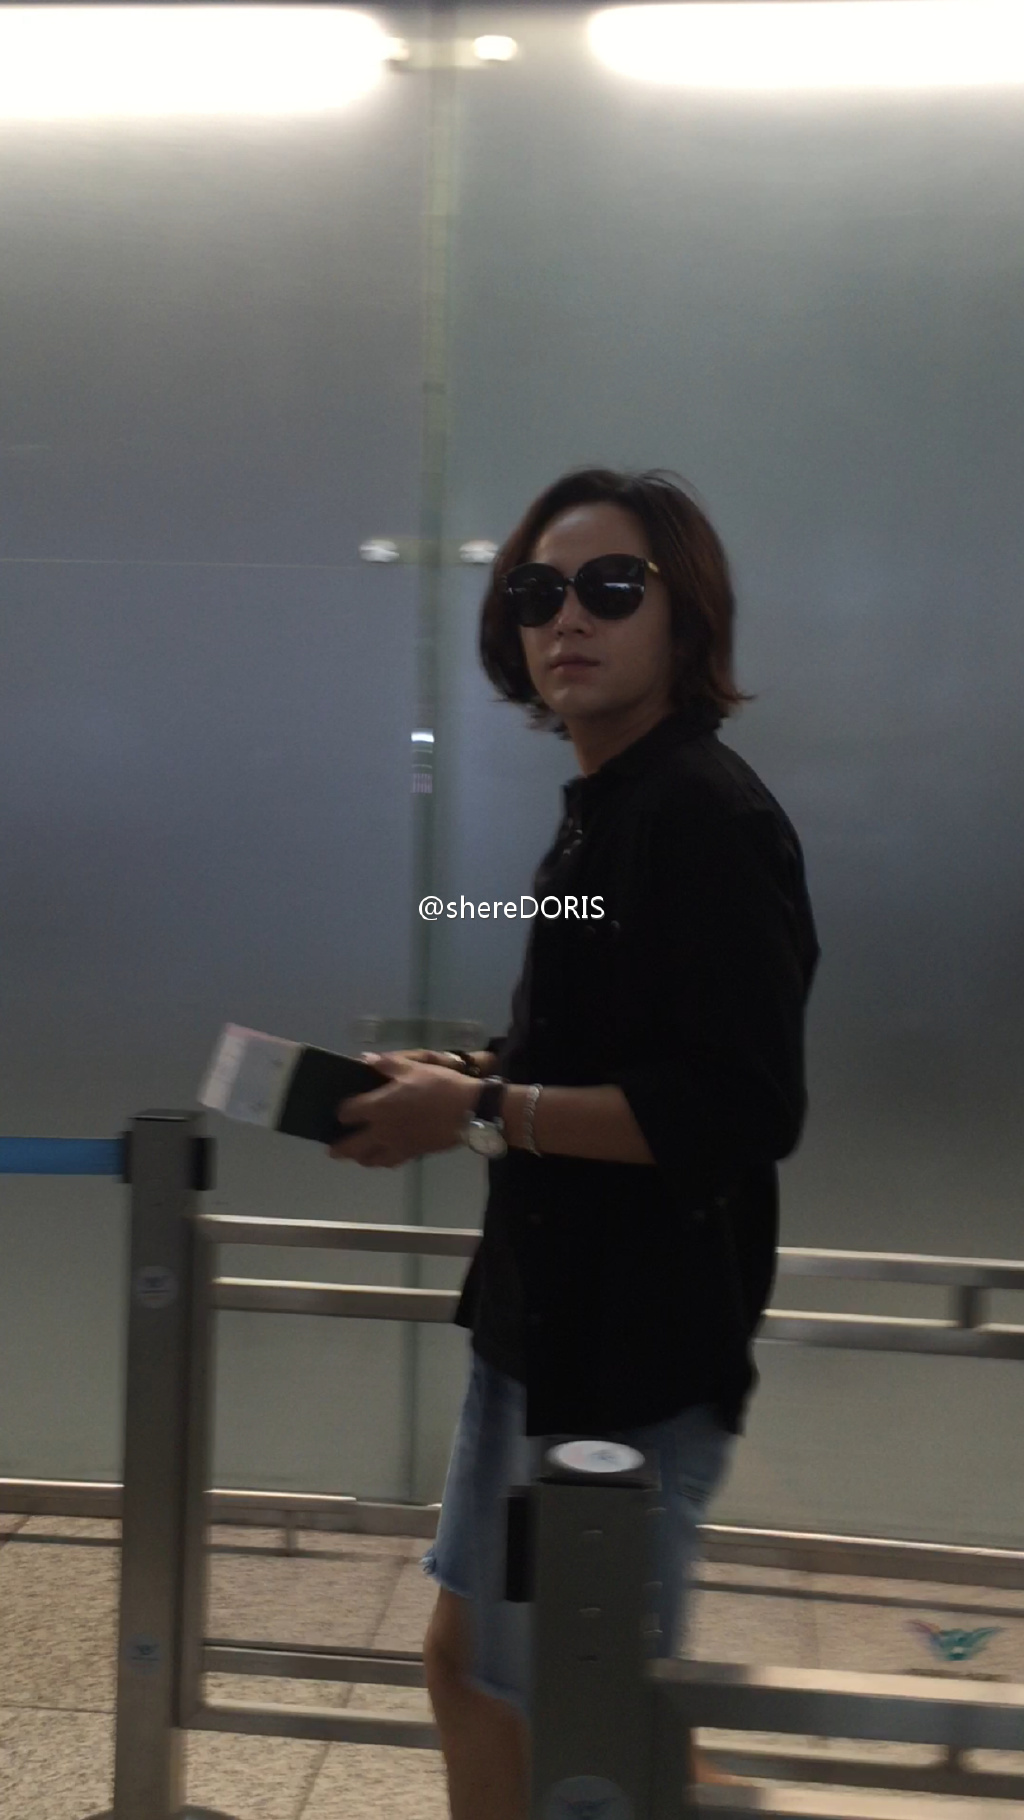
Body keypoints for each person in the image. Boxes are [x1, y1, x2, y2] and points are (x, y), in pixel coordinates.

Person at [327, 466, 821, 1819]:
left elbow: (740, 1107)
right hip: (549, 1330)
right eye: (540, 591)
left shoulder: (705, 819)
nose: (568, 618)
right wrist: (467, 1078)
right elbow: (608, 1050)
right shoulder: (609, 810)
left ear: (684, 614)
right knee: (486, 1673)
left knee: (574, 1717)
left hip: (629, 1366)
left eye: (611, 586)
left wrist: (482, 1112)